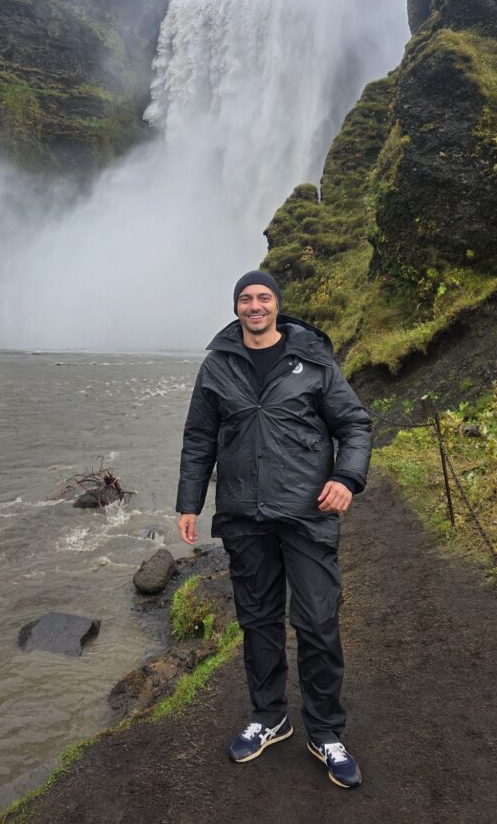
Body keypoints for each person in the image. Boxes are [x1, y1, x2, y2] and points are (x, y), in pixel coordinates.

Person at [176, 270, 372, 788]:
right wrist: (189, 504)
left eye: (263, 297)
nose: (255, 305)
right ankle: (269, 717)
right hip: (243, 514)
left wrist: (346, 477)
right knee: (258, 620)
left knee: (318, 622)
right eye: (246, 298)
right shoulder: (218, 365)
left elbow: (354, 424)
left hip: (308, 512)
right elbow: (199, 438)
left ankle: (325, 731)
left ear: (277, 305)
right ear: (236, 307)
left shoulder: (313, 359)